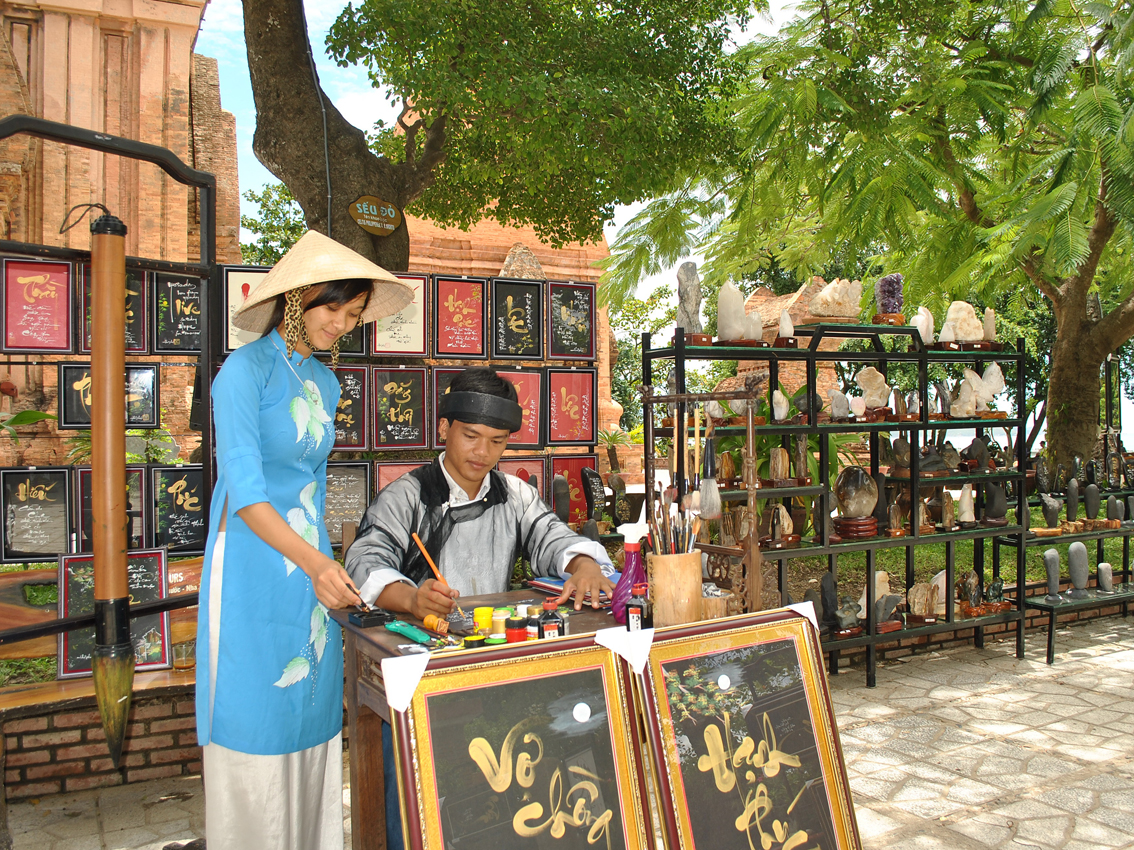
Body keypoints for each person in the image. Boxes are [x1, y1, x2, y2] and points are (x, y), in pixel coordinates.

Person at [195, 230, 412, 850]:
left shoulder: (326, 382)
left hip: (309, 571)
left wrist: (327, 564)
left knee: (309, 713)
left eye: (351, 314)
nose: (340, 324)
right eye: (330, 308)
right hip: (253, 566)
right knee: (255, 713)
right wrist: (315, 561)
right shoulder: (243, 371)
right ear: (297, 298)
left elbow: (311, 488)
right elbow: (243, 490)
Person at [344, 367, 617, 849]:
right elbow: (364, 561)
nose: (482, 452)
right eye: (470, 436)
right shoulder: (408, 495)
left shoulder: (512, 494)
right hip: (425, 664)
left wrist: (583, 565)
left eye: (496, 441)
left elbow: (552, 538)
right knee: (415, 797)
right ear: (445, 428)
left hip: (492, 658)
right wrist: (410, 596)